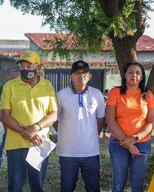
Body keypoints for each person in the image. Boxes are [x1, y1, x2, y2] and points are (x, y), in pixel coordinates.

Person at [0, 50, 57, 192]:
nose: (25, 69)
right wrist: (28, 133)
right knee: (15, 186)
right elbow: (4, 116)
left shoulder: (47, 85)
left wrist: (36, 127)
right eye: (22, 66)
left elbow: (54, 114)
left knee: (37, 185)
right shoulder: (10, 86)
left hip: (40, 143)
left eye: (29, 65)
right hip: (16, 144)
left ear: (38, 67)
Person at [55, 60, 105, 192]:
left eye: (84, 73)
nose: (81, 75)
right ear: (71, 76)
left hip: (91, 151)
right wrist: (64, 133)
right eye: (77, 73)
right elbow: (54, 119)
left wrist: (92, 135)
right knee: (67, 187)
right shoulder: (61, 95)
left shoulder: (97, 94)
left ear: (89, 76)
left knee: (93, 187)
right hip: (67, 152)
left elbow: (100, 119)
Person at [106, 62, 154, 192]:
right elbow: (110, 120)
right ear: (125, 75)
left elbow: (151, 123)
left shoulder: (148, 95)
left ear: (142, 77)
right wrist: (127, 143)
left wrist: (134, 139)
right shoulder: (115, 92)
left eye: (138, 72)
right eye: (130, 72)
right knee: (118, 182)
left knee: (137, 183)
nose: (134, 75)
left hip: (142, 143)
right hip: (118, 142)